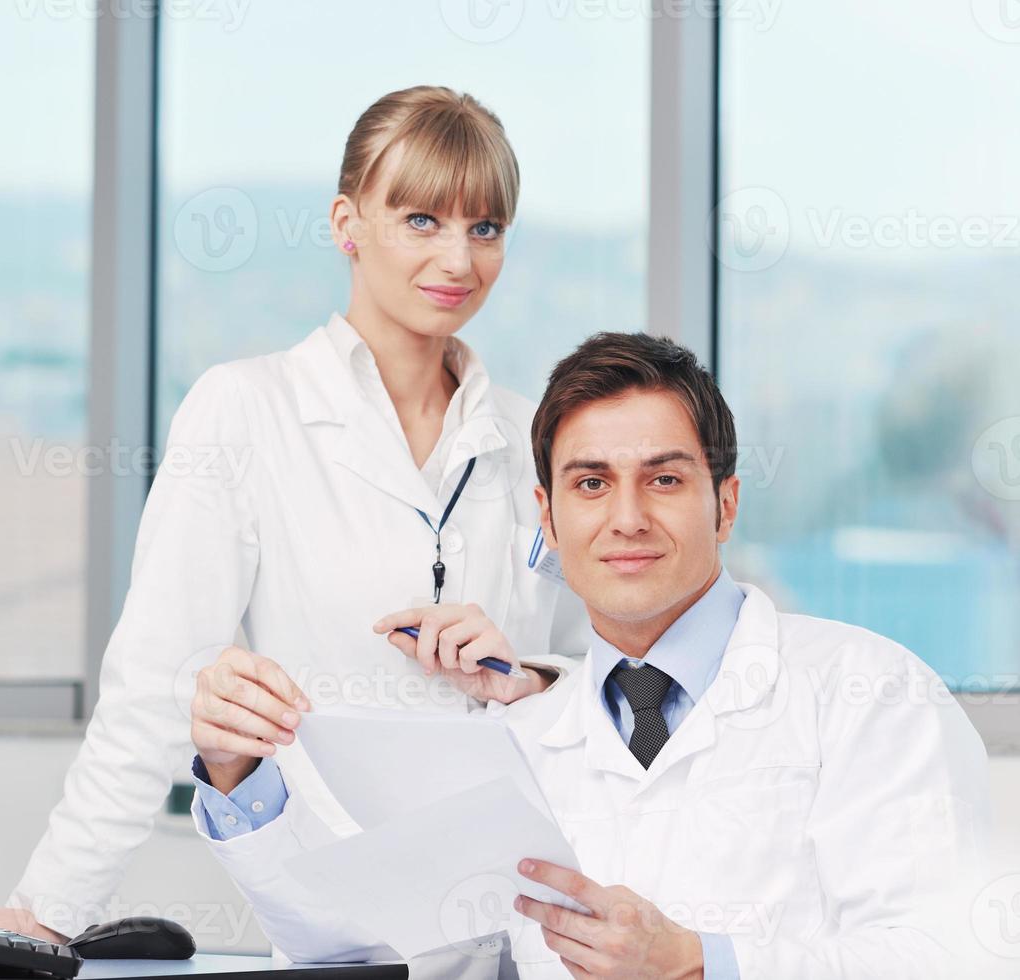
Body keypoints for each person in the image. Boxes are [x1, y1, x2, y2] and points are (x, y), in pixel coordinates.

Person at [0, 86, 590, 940]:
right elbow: (154, 684)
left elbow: (602, 685)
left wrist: (529, 678)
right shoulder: (245, 411)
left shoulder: (530, 436)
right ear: (347, 223)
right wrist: (45, 915)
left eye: (485, 228)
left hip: (525, 910)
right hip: (342, 916)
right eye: (420, 220)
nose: (458, 259)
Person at [191, 332, 992, 978]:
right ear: (547, 512)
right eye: (591, 484)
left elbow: (959, 956)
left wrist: (702, 964)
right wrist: (238, 776)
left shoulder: (870, 693)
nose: (628, 517)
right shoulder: (526, 735)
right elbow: (369, 949)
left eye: (665, 479)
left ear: (727, 502)